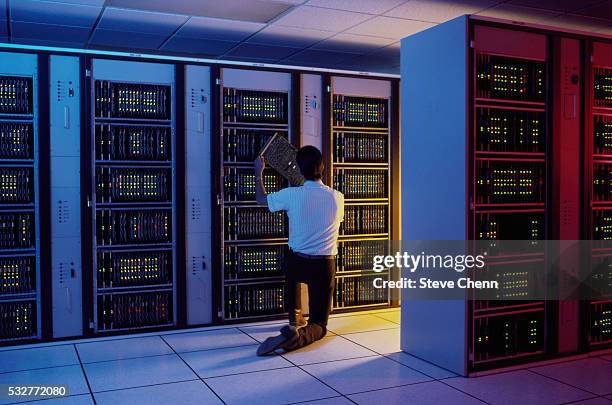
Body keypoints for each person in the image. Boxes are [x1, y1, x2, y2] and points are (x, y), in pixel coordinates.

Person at [254, 145, 344, 355]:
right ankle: (299, 335)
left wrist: (259, 173)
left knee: (291, 262)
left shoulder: (292, 195)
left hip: (297, 265)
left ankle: (294, 317)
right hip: (323, 266)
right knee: (320, 325)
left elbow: (260, 199)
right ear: (322, 167)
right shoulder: (337, 197)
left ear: (299, 170)